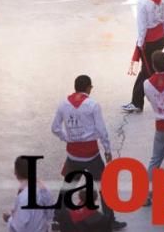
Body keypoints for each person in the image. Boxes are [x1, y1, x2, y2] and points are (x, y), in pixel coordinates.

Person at [51, 75, 126, 230]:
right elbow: (101, 130)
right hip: (91, 154)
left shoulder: (63, 104)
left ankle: (58, 216)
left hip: (73, 154)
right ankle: (110, 220)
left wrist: (68, 138)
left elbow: (55, 128)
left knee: (68, 186)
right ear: (87, 88)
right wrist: (107, 150)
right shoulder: (93, 105)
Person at [123, 0, 164, 113]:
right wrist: (163, 34)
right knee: (152, 69)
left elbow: (141, 26)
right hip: (160, 37)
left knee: (146, 71)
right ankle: (141, 100)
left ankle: (137, 102)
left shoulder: (143, 1)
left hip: (148, 40)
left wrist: (140, 43)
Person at [143, 50, 164, 183]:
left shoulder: (147, 84)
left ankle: (146, 194)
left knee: (155, 160)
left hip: (161, 125)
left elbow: (150, 100)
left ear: (153, 66)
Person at [3, 155, 57, 231]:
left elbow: (19, 226)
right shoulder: (44, 189)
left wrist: (9, 219)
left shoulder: (23, 197)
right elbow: (50, 213)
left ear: (16, 173)